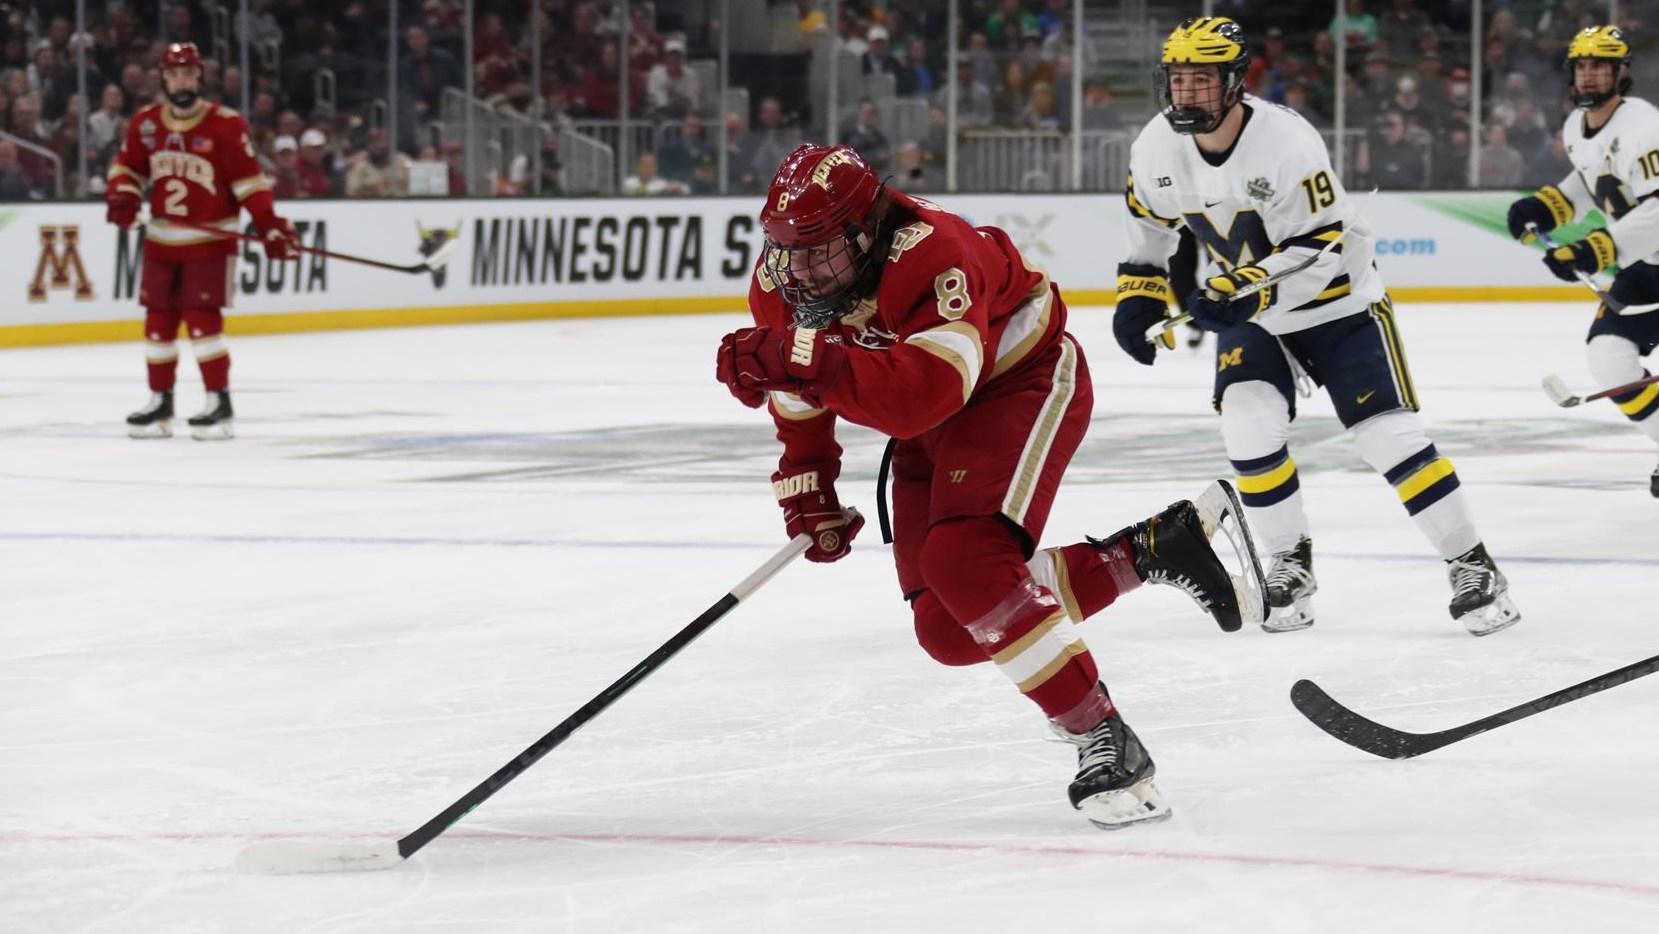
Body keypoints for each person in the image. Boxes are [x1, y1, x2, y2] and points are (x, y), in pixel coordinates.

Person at [714, 143, 1266, 830]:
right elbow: (799, 394)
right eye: (784, 250)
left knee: (963, 562)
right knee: (947, 630)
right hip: (925, 412)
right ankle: (1150, 550)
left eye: (818, 250)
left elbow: (925, 396)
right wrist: (811, 489)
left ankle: (1102, 735)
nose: (797, 271)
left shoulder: (931, 253)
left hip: (1020, 384)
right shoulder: (784, 282)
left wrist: (804, 357)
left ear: (866, 230)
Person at [1112, 17, 1521, 636]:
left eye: (1202, 79)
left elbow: (1321, 245)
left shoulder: (1285, 141)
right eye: (1178, 79)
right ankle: (1290, 562)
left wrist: (1243, 293)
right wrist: (1138, 294)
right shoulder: (1154, 148)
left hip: (1339, 304)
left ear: (1234, 82)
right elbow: (1148, 228)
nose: (1187, 92)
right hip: (1254, 312)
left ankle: (1473, 563)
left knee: (1388, 436)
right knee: (1247, 425)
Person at [105, 42, 298, 441]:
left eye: (188, 73)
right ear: (163, 78)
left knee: (202, 323)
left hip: (208, 245)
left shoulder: (226, 125)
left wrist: (269, 224)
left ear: (199, 77)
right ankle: (161, 402)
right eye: (173, 73)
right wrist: (123, 194)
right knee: (157, 323)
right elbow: (128, 166)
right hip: (161, 241)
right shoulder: (145, 122)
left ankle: (218, 402)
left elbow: (249, 183)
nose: (181, 80)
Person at [1506, 25, 1659, 498]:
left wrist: (1598, 249)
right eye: (1583, 66)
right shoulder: (1576, 126)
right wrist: (1547, 206)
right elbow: (1590, 180)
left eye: (1601, 66)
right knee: (1609, 358)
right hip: (1649, 268)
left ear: (1620, 73)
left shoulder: (1646, 129)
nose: (1590, 75)